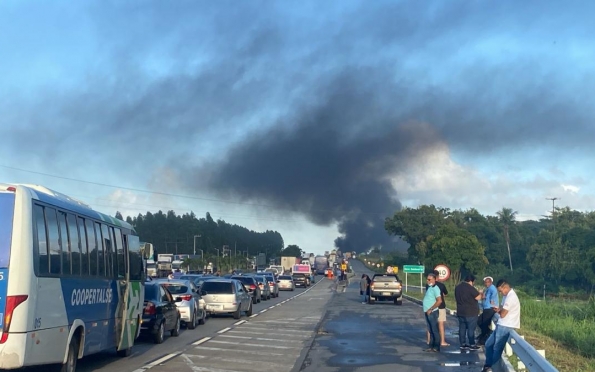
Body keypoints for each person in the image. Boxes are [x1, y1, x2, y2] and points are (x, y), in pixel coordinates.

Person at [482, 279, 521, 372]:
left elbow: (503, 313)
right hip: (501, 324)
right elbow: (502, 309)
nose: (500, 293)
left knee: (497, 348)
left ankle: (494, 368)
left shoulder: (511, 297)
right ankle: (488, 366)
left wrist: (498, 310)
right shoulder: (506, 295)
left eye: (500, 291)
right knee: (488, 345)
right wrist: (498, 309)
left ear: (505, 287)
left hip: (506, 325)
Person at [454, 274, 482, 351]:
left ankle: (462, 344)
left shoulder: (457, 287)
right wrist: (480, 292)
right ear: (471, 281)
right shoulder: (471, 288)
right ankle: (472, 344)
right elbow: (478, 297)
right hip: (471, 312)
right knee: (470, 329)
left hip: (460, 311)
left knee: (462, 328)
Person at [425, 270, 450, 347]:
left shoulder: (428, 285)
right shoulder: (441, 285)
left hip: (430, 306)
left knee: (430, 325)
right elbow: (445, 294)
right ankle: (442, 341)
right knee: (441, 324)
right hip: (440, 306)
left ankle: (429, 341)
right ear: (437, 277)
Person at [422, 273, 442, 352]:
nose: (427, 281)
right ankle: (431, 346)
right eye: (427, 279)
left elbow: (439, 301)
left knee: (434, 329)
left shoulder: (435, 288)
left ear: (434, 279)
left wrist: (431, 309)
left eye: (429, 279)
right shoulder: (429, 287)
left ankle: (436, 346)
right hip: (427, 311)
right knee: (430, 329)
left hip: (432, 312)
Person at [477, 276, 499, 345]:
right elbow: (484, 297)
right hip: (486, 308)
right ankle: (487, 333)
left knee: (484, 323)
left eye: (487, 282)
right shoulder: (488, 289)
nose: (486, 284)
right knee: (479, 321)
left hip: (490, 308)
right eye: (485, 282)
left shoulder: (492, 288)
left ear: (491, 282)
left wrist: (493, 304)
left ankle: (483, 338)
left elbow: (492, 298)